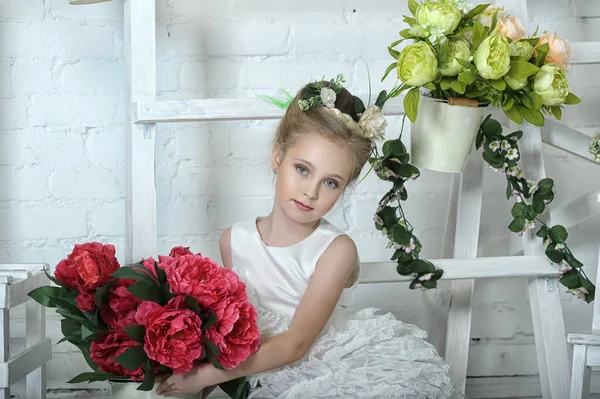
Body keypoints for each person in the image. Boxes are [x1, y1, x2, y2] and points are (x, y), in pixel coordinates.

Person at [157, 76, 464, 398]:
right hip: (255, 368)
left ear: (346, 186)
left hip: (320, 362)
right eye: (302, 169)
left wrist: (205, 376)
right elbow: (232, 328)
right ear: (277, 156)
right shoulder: (234, 239)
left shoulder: (336, 250)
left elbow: (297, 344)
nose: (311, 191)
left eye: (331, 182)